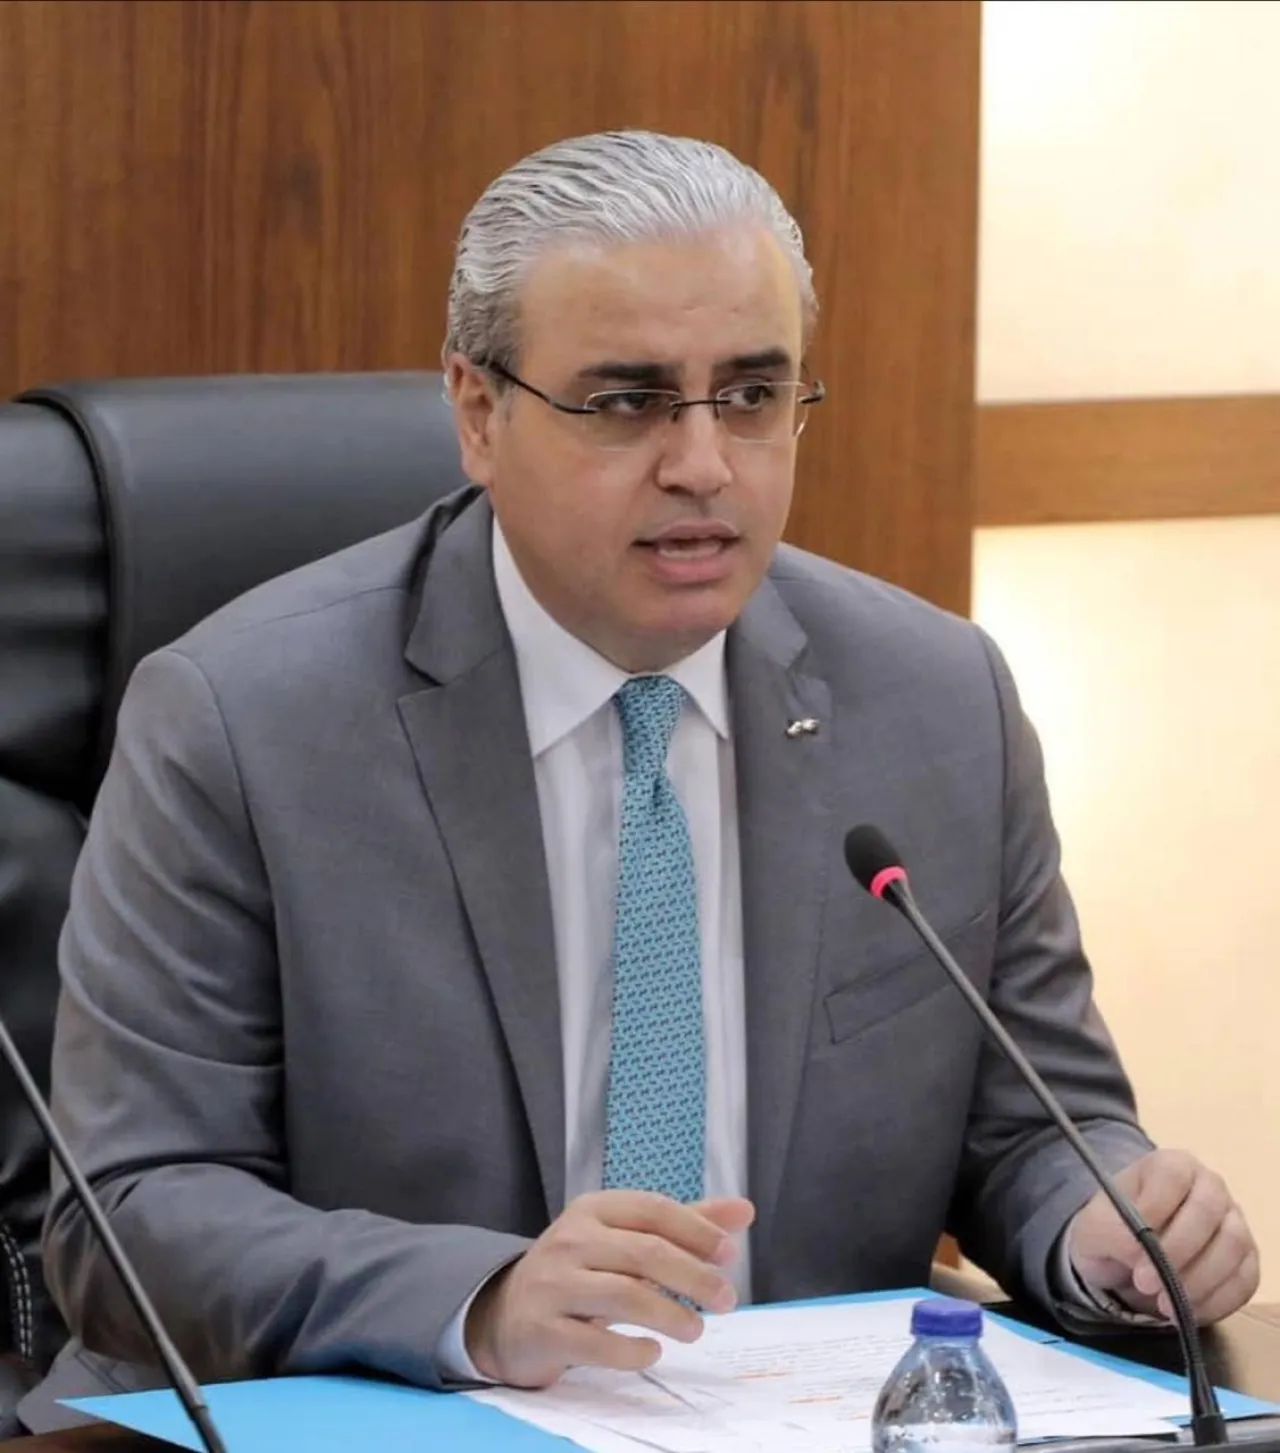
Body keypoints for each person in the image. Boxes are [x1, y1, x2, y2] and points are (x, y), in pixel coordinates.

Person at [26, 130, 1257, 1424]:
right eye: (627, 403)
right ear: (478, 412)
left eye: (753, 395)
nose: (704, 464)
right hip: (368, 1417)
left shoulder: (940, 700)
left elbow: (1033, 1131)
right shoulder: (238, 721)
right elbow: (129, 1214)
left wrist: (1105, 1227)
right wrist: (480, 1302)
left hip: (794, 1421)